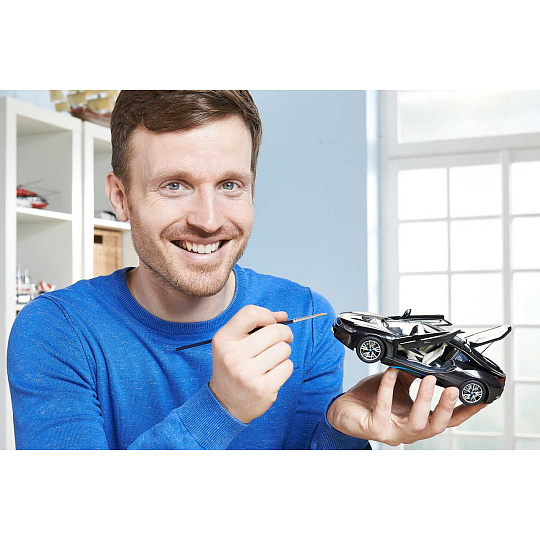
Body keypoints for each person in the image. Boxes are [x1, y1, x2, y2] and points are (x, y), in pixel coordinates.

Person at [7, 91, 485, 449]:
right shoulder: (56, 331)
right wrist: (221, 408)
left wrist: (341, 428)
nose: (208, 219)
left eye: (230, 185)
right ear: (120, 197)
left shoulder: (307, 316)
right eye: (174, 185)